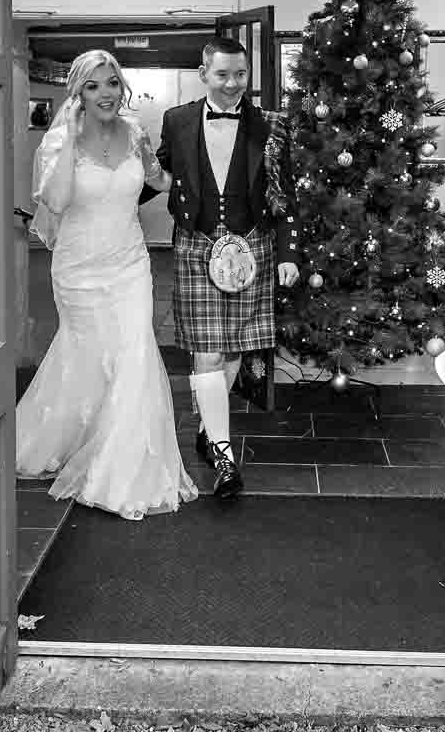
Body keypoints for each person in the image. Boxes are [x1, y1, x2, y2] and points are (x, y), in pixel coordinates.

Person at [15, 50, 198, 520]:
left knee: (135, 353)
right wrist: (72, 141)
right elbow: (53, 202)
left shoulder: (135, 132)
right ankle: (73, 436)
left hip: (131, 263)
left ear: (122, 87)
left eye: (112, 83)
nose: (105, 94)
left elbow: (158, 180)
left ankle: (121, 472)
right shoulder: (59, 141)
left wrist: (206, 185)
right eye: (93, 86)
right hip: (79, 269)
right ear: (76, 92)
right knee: (86, 355)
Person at [156, 37, 302, 502]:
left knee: (236, 347)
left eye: (240, 75)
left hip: (252, 246)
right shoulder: (177, 121)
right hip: (197, 245)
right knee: (206, 350)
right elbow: (158, 173)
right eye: (222, 75)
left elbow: (285, 195)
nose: (233, 84)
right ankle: (224, 455)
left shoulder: (272, 126)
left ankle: (207, 424)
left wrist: (288, 254)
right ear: (204, 74)